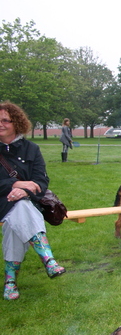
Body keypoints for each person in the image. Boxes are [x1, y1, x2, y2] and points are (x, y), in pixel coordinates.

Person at [0, 102, 66, 300]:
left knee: (17, 218)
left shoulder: (31, 148)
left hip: (26, 202)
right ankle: (48, 259)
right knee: (20, 210)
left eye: (5, 120)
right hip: (2, 201)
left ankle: (10, 281)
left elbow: (41, 181)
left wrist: (25, 192)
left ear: (17, 123)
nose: (0, 124)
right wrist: (15, 185)